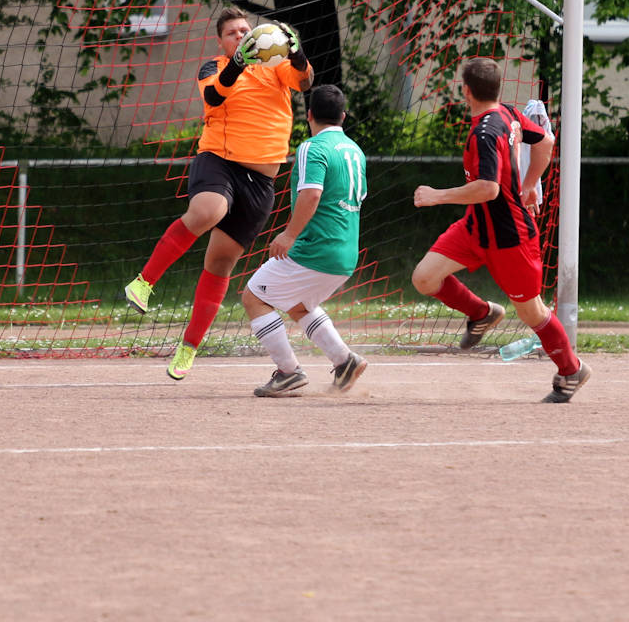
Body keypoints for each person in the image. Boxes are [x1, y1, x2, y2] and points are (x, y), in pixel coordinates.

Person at [123, 7, 313, 380]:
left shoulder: (276, 69)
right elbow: (214, 98)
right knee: (209, 210)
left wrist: (296, 50)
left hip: (260, 180)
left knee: (222, 263)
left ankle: (188, 347)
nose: (241, 35)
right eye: (232, 33)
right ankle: (143, 282)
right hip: (220, 161)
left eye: (245, 30)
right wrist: (238, 62)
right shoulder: (213, 67)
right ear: (222, 41)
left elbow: (305, 82)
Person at [411, 57, 590, 403]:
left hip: (511, 239)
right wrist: (529, 183)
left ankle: (571, 370)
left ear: (466, 91)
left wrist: (438, 196)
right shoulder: (507, 114)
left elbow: (488, 188)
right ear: (497, 88)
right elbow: (545, 142)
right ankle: (481, 313)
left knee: (532, 312)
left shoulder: (486, 131)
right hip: (476, 228)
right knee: (424, 278)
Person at [240, 84, 368, 397]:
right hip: (346, 251)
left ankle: (288, 372)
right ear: (343, 115)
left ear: (309, 115)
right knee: (298, 305)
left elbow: (312, 194)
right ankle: (344, 361)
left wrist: (290, 234)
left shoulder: (312, 147)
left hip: (316, 249)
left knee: (254, 296)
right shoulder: (355, 150)